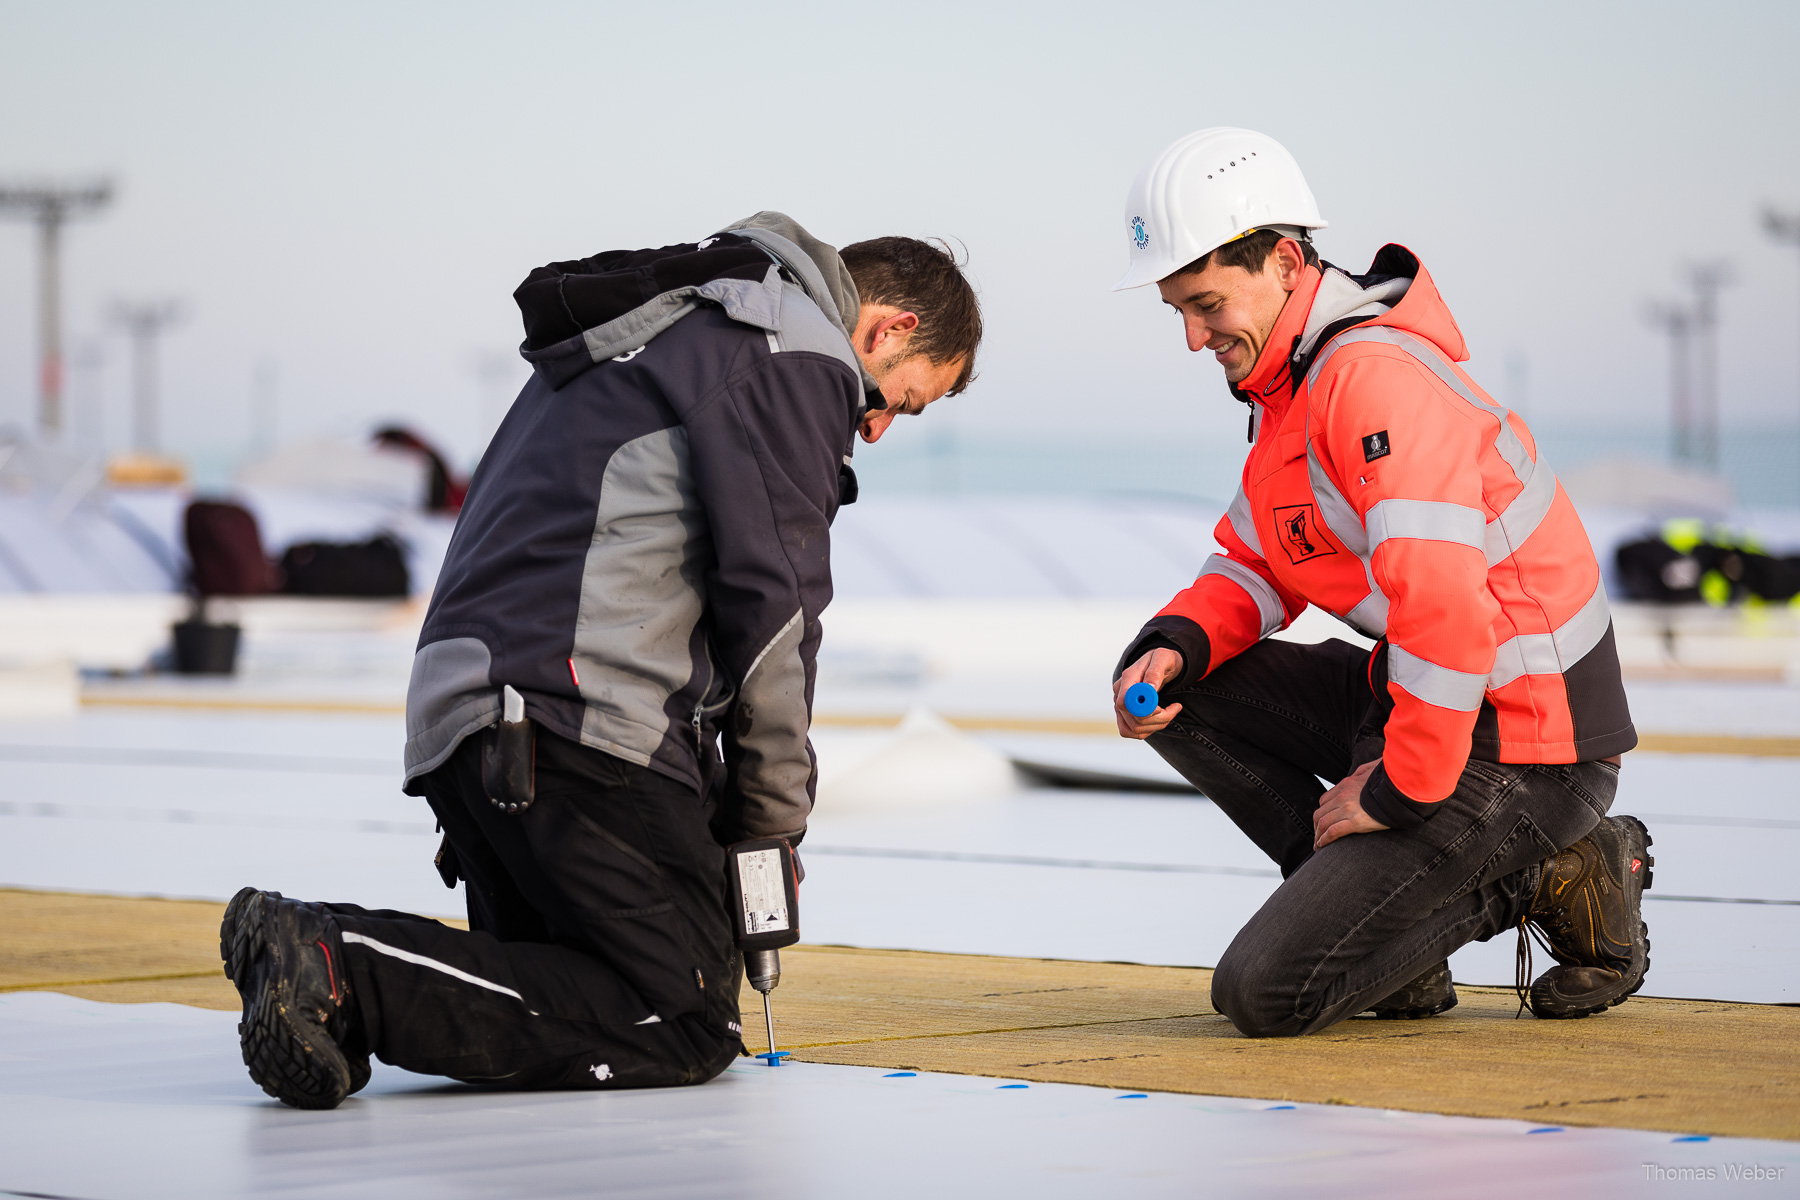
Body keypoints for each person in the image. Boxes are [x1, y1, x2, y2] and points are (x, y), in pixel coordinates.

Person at [222, 212, 982, 1107]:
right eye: (895, 399)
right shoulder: (793, 351)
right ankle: (337, 962)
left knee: (562, 981)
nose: (877, 428)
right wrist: (769, 827)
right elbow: (776, 619)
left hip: (468, 717)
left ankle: (328, 1000)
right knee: (686, 1014)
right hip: (573, 720)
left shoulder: (661, 328)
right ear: (888, 328)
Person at [1109, 129, 1649, 1037]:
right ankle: (1385, 938)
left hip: (1524, 740)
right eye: (1179, 312)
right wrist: (1175, 644)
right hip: (1425, 697)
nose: (1195, 338)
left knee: (1265, 994)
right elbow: (1253, 558)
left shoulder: (1375, 382)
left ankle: (1559, 869)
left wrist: (1397, 791)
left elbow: (1447, 609)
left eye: (1206, 305)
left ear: (1284, 261)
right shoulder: (1293, 389)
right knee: (1182, 690)